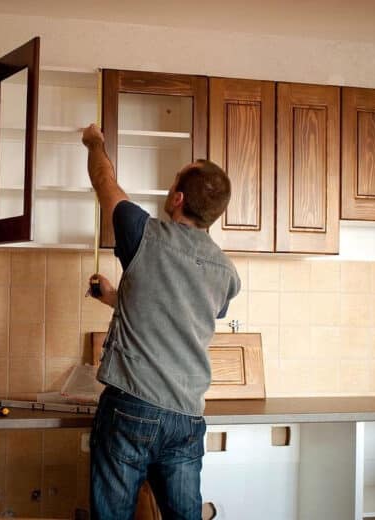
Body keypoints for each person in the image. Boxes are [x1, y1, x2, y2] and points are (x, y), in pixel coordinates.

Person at [82, 123, 241, 520]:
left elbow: (105, 181)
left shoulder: (142, 234)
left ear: (177, 198)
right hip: (186, 417)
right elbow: (178, 312)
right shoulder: (226, 273)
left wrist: (95, 142)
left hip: (131, 407)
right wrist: (116, 299)